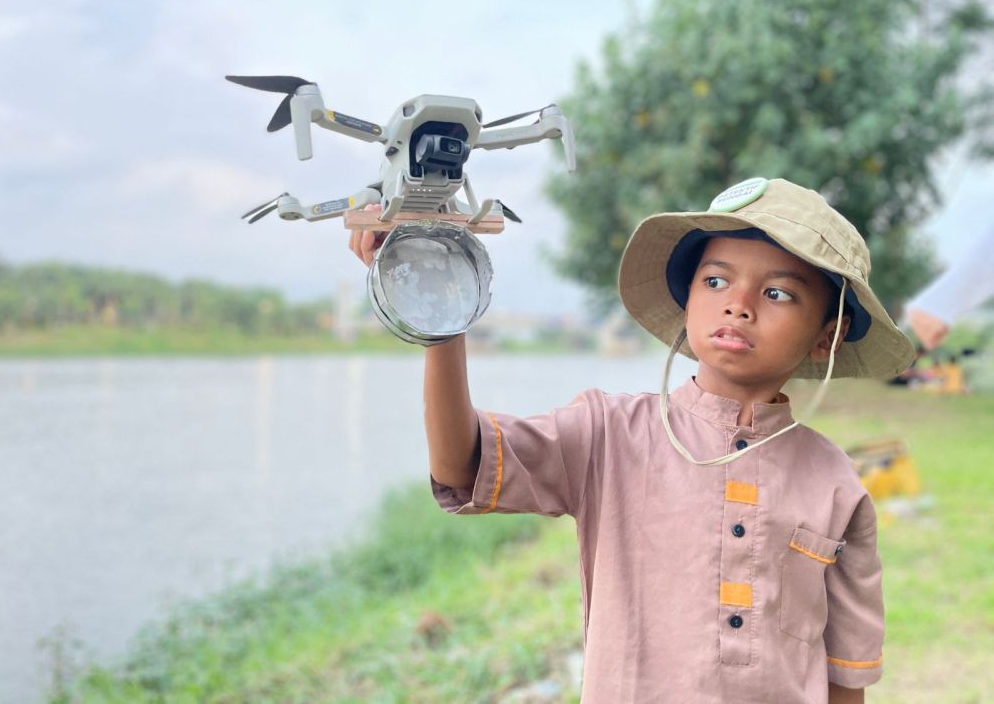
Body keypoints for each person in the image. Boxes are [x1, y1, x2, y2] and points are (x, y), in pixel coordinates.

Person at [349, 178, 916, 704]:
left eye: (779, 293)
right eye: (715, 281)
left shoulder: (835, 480)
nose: (738, 304)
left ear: (828, 335)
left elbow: (847, 670)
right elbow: (460, 463)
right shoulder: (607, 435)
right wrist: (439, 301)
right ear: (688, 300)